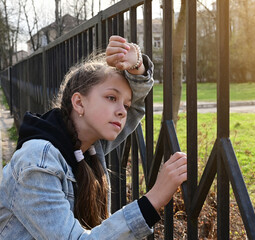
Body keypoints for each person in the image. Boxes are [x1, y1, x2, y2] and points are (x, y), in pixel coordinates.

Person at [0, 35, 187, 239]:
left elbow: (137, 104)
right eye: (111, 98)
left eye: (125, 104)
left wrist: (137, 65)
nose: (123, 111)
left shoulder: (87, 146)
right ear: (79, 103)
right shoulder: (37, 162)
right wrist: (154, 198)